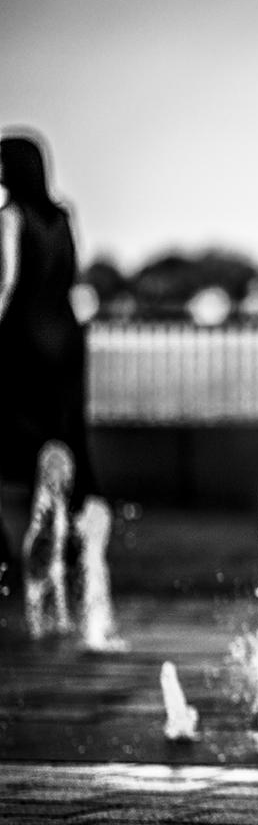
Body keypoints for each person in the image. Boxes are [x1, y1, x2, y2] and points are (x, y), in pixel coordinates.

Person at [0, 129, 100, 595]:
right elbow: (70, 276)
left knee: (15, 443)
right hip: (64, 338)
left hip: (22, 342)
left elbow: (7, 283)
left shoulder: (11, 216)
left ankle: (14, 548)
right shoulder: (62, 217)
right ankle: (73, 540)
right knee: (63, 441)